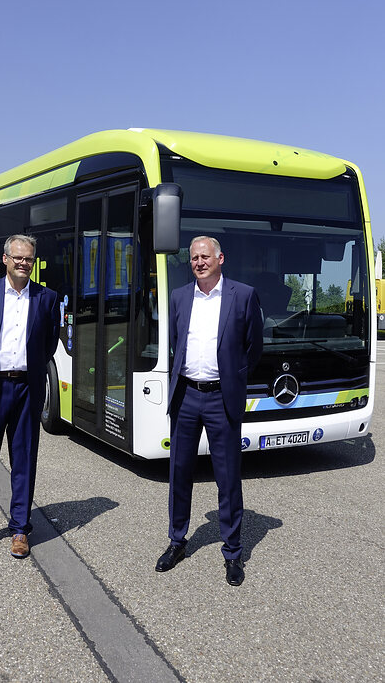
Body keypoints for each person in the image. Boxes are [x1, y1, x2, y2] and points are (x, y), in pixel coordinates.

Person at [155, 236, 263, 586]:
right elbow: (176, 342)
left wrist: (232, 377)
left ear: (220, 258)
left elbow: (254, 347)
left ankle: (233, 552)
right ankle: (177, 541)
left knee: (228, 477)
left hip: (221, 398)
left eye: (205, 256)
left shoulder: (243, 295)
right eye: (194, 258)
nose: (199, 262)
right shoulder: (180, 296)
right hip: (186, 395)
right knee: (179, 472)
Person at [0, 234, 59, 558]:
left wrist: (32, 372)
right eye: (18, 258)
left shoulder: (47, 298)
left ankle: (20, 529)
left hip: (27, 390)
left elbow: (50, 343)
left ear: (34, 262)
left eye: (28, 259)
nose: (23, 263)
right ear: (6, 259)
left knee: (24, 462)